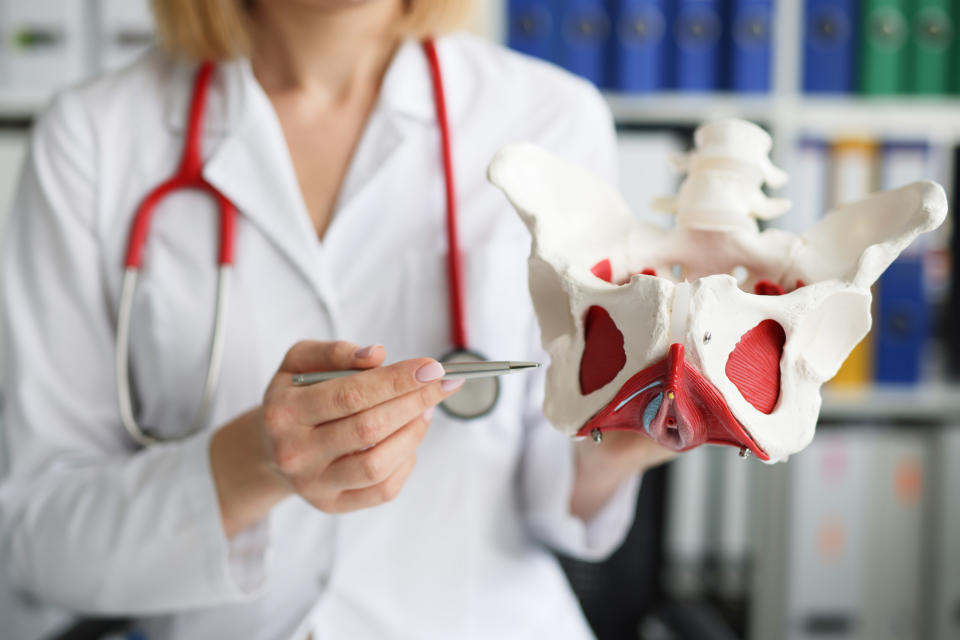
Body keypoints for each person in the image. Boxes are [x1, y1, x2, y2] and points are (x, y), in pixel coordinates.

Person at [0, 1, 674, 638]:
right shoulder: (93, 139)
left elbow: (557, 498)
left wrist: (614, 448)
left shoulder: (551, 119)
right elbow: (39, 545)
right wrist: (254, 463)